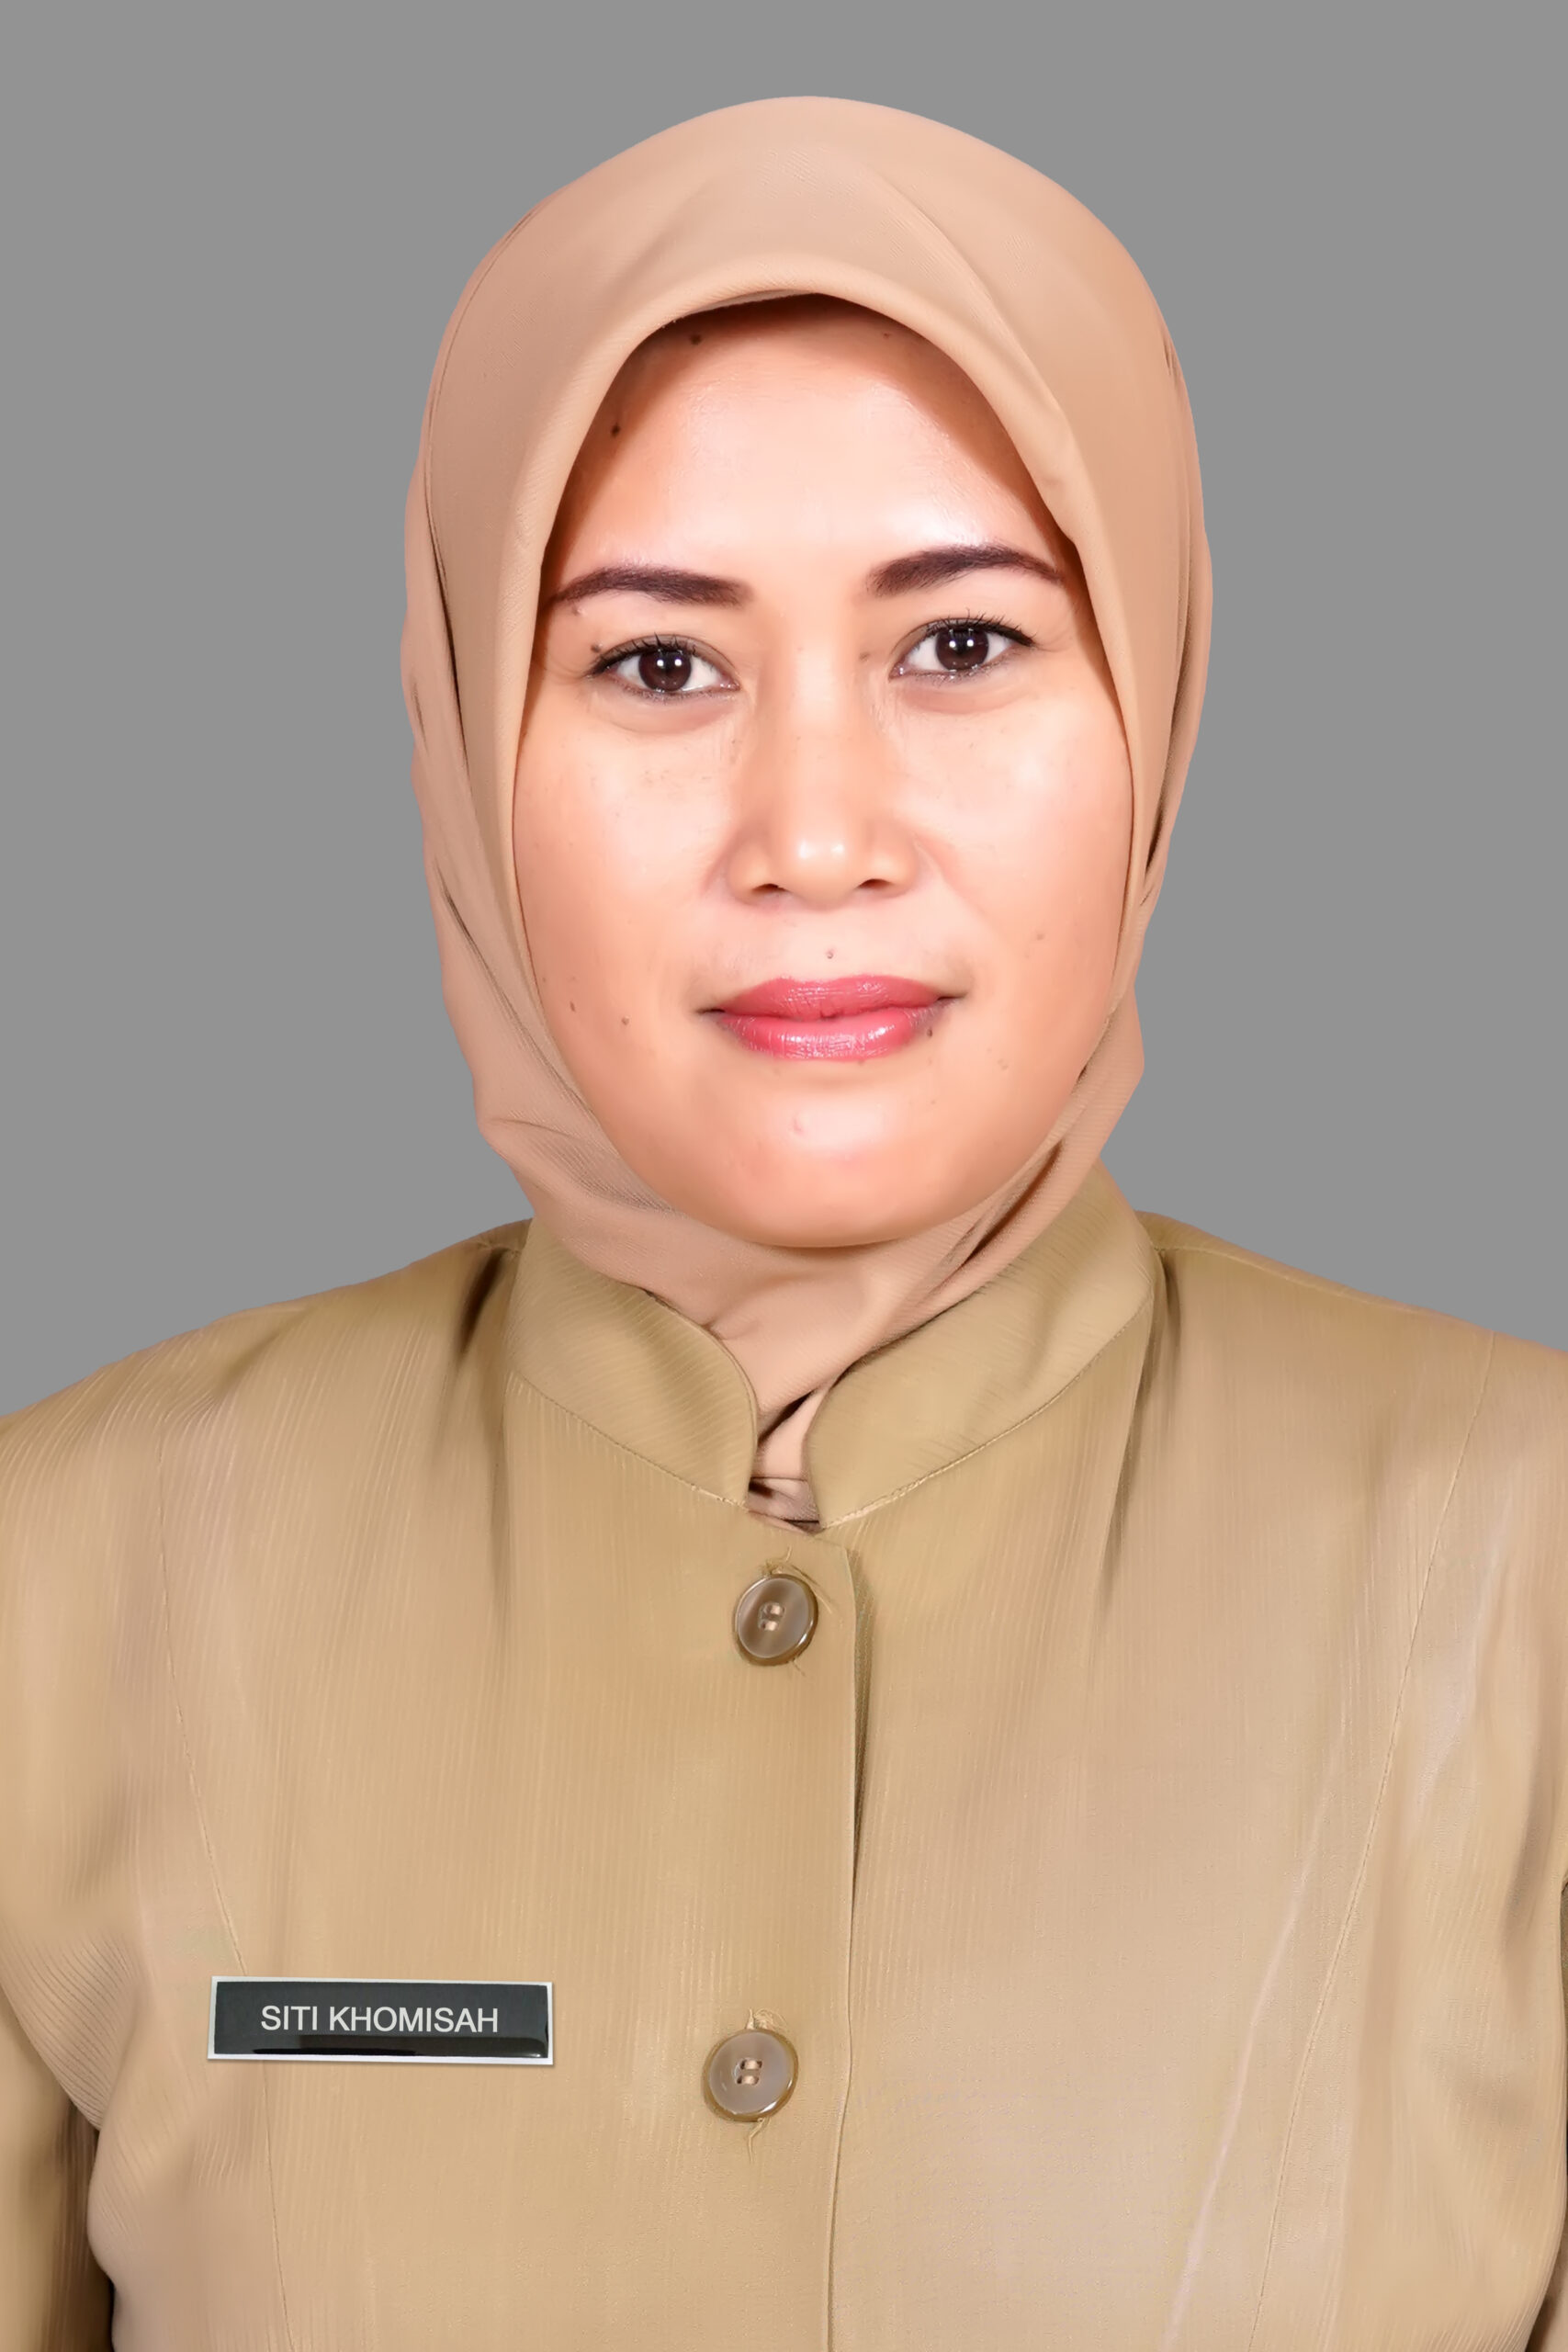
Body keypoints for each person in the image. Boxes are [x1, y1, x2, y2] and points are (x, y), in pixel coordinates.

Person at [1, 94, 1565, 2350]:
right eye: (657, 664)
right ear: (464, 729)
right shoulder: (65, 1584)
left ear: (1154, 699)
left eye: (961, 644)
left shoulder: (1522, 1573)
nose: (815, 833)